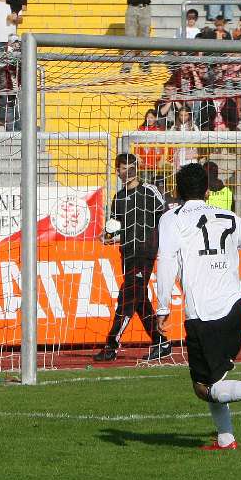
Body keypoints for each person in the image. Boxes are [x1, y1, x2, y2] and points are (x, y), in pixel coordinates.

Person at [154, 163, 241, 450]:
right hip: (235, 311)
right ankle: (225, 439)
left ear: (177, 192)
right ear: (207, 191)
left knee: (205, 388)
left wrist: (162, 307)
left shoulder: (172, 218)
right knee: (215, 377)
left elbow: (167, 260)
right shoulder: (228, 216)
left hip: (204, 315)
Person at [94, 153, 172, 363]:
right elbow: (115, 228)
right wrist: (108, 236)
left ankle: (111, 345)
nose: (125, 171)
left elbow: (166, 218)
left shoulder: (150, 191)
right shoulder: (118, 198)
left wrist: (168, 246)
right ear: (117, 171)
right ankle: (161, 342)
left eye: (129, 167)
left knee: (127, 299)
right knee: (139, 301)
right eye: (121, 168)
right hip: (127, 253)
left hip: (145, 253)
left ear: (136, 168)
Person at [116, 0, 161, 73]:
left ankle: (145, 62)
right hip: (131, 8)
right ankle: (127, 64)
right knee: (129, 36)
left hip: (145, 8)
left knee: (145, 36)